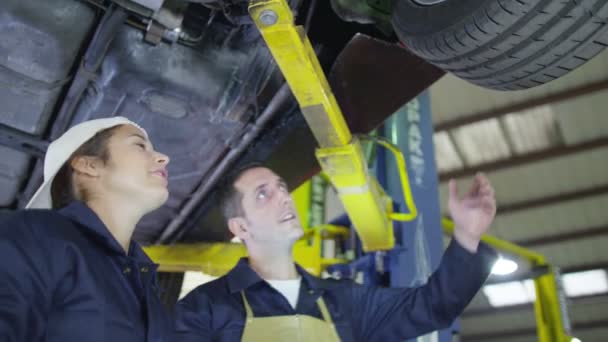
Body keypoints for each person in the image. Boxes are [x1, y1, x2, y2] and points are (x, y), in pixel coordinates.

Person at [174, 163, 498, 341]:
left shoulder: (343, 300)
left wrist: (467, 237)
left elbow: (433, 307)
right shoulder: (205, 308)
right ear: (241, 228)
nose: (284, 198)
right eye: (263, 195)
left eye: (282, 188)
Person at [0, 117, 172, 341]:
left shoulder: (144, 283)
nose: (164, 158)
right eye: (140, 145)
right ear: (88, 165)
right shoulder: (31, 236)